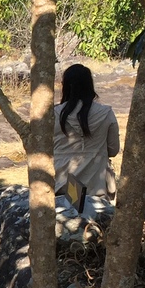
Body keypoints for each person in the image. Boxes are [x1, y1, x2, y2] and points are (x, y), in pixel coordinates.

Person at [53, 63, 121, 200]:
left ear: (65, 86)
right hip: (97, 186)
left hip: (61, 186)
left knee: (75, 208)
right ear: (90, 86)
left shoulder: (53, 114)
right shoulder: (106, 113)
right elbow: (113, 150)